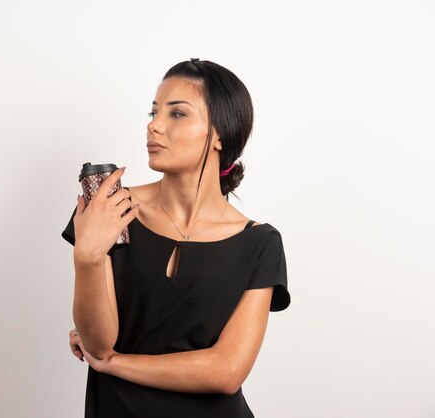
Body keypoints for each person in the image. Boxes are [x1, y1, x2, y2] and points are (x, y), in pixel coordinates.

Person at [61, 58, 291, 418]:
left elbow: (226, 371)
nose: (154, 125)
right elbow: (98, 343)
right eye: (154, 112)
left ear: (219, 133)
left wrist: (114, 363)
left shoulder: (259, 244)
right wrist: (87, 258)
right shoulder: (112, 211)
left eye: (177, 114)